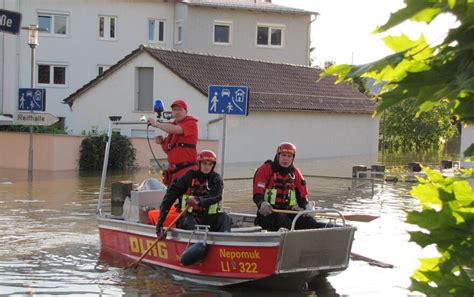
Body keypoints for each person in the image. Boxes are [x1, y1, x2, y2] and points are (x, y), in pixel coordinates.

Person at [156, 150, 231, 239]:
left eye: (210, 164)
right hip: (189, 217)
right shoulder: (188, 177)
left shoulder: (216, 179)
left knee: (225, 217)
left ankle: (223, 242)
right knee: (188, 221)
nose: (207, 167)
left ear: (213, 165)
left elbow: (216, 195)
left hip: (208, 218)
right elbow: (169, 197)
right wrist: (160, 223)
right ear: (199, 164)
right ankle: (196, 244)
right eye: (204, 163)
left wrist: (199, 200)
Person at [252, 142, 319, 231]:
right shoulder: (266, 169)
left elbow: (302, 199)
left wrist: (308, 207)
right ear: (278, 155)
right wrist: (262, 203)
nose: (286, 159)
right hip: (268, 214)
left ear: (293, 158)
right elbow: (257, 195)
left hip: (288, 212)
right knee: (284, 221)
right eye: (283, 155)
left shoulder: (295, 173)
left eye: (289, 156)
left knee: (310, 222)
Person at [147, 100, 198, 186]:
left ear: (186, 111)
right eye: (174, 110)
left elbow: (175, 129)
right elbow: (168, 151)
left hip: (186, 170)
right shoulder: (172, 126)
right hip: (173, 172)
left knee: (185, 197)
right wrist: (162, 143)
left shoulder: (191, 123)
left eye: (179, 109)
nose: (177, 112)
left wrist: (157, 124)